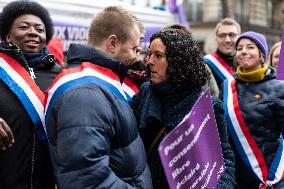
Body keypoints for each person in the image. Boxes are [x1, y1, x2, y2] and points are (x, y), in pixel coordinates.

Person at [45, 6, 152, 189]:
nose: (136, 57)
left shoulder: (100, 82)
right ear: (112, 43)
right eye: (134, 49)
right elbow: (86, 178)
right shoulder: (84, 92)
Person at [130, 29, 236, 189]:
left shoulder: (207, 105)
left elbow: (224, 158)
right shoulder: (144, 93)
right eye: (149, 54)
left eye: (158, 55)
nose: (150, 61)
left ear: (177, 61)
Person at [0, 1, 62, 188]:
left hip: (45, 181)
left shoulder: (61, 75)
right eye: (24, 27)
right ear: (8, 35)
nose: (33, 32)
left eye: (39, 29)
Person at [223, 31, 284, 188]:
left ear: (261, 54)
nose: (243, 51)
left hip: (271, 176)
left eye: (250, 47)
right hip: (237, 175)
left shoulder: (279, 87)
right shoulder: (227, 86)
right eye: (240, 48)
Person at [204, 18, 241, 90]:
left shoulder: (245, 62)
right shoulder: (205, 64)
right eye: (222, 35)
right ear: (216, 38)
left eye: (232, 35)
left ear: (239, 37)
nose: (227, 40)